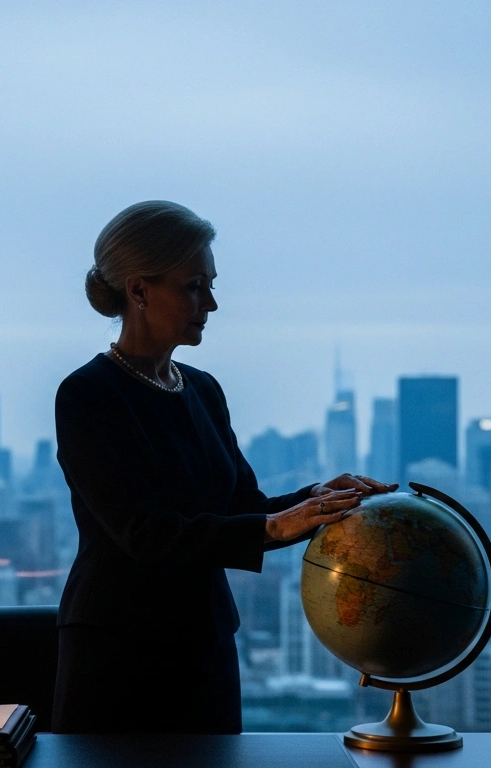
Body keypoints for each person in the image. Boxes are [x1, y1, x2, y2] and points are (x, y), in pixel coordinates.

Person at [52, 200, 393, 734]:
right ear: (138, 290)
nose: (210, 303)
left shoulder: (203, 390)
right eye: (194, 287)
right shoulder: (87, 396)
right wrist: (277, 524)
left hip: (205, 645)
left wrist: (316, 500)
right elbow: (144, 533)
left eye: (209, 285)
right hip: (119, 652)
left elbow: (243, 510)